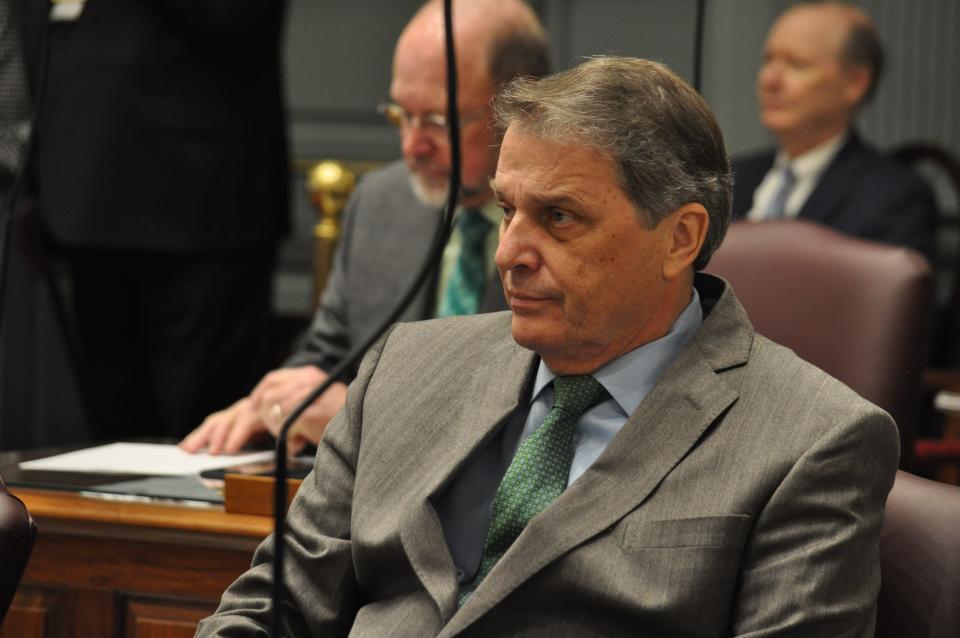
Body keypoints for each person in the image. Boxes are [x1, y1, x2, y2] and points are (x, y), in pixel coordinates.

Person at [197, 56, 898, 636]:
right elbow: (271, 607)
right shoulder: (404, 366)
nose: (509, 255)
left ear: (680, 238)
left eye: (559, 218)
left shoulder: (815, 440)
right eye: (508, 210)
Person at [180, 0, 550, 455]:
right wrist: (270, 408)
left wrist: (357, 417)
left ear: (522, 105)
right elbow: (325, 360)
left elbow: (543, 415)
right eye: (400, 116)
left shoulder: (569, 225)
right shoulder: (382, 202)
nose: (413, 146)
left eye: (437, 121)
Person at [32, 0, 290, 440]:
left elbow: (229, 17)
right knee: (111, 446)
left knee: (206, 438)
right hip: (89, 198)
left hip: (200, 206)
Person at [731, 1, 936, 261]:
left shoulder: (893, 198)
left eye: (796, 64)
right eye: (768, 60)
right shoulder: (730, 177)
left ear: (855, 83)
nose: (770, 80)